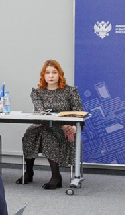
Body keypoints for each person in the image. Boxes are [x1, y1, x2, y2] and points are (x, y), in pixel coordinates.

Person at [18, 59, 83, 190]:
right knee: (30, 134)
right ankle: (29, 172)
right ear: (43, 76)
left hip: (65, 130)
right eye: (47, 73)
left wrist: (73, 127)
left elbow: (79, 112)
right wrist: (62, 126)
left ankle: (56, 176)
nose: (51, 76)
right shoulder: (37, 92)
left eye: (54, 72)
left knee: (48, 136)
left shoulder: (70, 91)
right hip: (45, 125)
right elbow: (41, 113)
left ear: (60, 74)